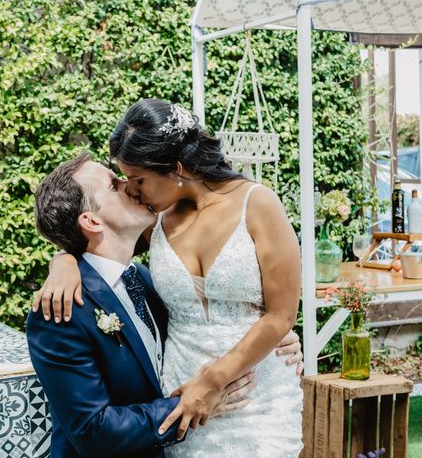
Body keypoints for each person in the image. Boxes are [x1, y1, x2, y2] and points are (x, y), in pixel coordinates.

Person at [35, 98, 304, 457]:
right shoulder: (157, 220)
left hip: (255, 394)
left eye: (137, 180)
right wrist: (64, 261)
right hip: (181, 396)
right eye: (123, 182)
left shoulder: (257, 203)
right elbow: (96, 249)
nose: (131, 190)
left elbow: (281, 314)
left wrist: (225, 370)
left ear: (175, 170)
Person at [28, 153, 261, 458]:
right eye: (113, 185)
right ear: (91, 221)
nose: (130, 185)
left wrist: (271, 335)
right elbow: (93, 431)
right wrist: (190, 405)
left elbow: (198, 326)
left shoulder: (146, 279)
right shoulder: (60, 312)